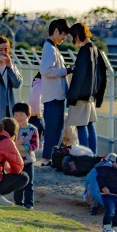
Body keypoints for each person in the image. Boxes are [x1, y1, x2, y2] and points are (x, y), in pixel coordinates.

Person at [65, 23, 107, 155]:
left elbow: (79, 76)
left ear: (77, 35)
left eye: (73, 36)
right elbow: (102, 74)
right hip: (91, 95)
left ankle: (85, 156)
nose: (73, 40)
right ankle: (93, 155)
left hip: (81, 95)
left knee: (81, 125)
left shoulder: (84, 51)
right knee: (90, 124)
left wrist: (72, 96)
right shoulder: (95, 49)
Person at [40, 19, 71, 166]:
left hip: (55, 95)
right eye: (63, 36)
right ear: (56, 31)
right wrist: (66, 71)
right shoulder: (50, 48)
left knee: (56, 127)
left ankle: (51, 157)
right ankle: (47, 158)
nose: (64, 40)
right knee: (53, 127)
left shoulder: (52, 48)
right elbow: (45, 70)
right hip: (53, 95)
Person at [0, 37, 23, 131]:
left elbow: (17, 84)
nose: (3, 52)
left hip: (8, 108)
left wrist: (10, 66)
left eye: (6, 50)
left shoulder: (11, 67)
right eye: (0, 50)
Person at [12, 103, 39, 209]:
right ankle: (18, 202)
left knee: (29, 183)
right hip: (15, 160)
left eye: (21, 114)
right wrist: (15, 144)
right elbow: (8, 143)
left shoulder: (33, 130)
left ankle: (29, 203)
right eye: (16, 115)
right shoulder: (13, 129)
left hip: (29, 160)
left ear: (28, 115)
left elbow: (35, 145)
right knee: (17, 182)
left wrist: (24, 147)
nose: (18, 117)